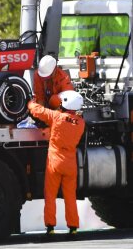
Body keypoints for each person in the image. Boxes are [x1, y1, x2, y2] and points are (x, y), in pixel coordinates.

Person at [27, 90, 85, 240]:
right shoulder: (81, 123)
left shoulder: (57, 117)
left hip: (55, 161)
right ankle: (73, 229)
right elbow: (71, 120)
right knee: (70, 196)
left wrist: (30, 102)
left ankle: (51, 229)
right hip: (70, 163)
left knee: (50, 195)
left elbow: (38, 111)